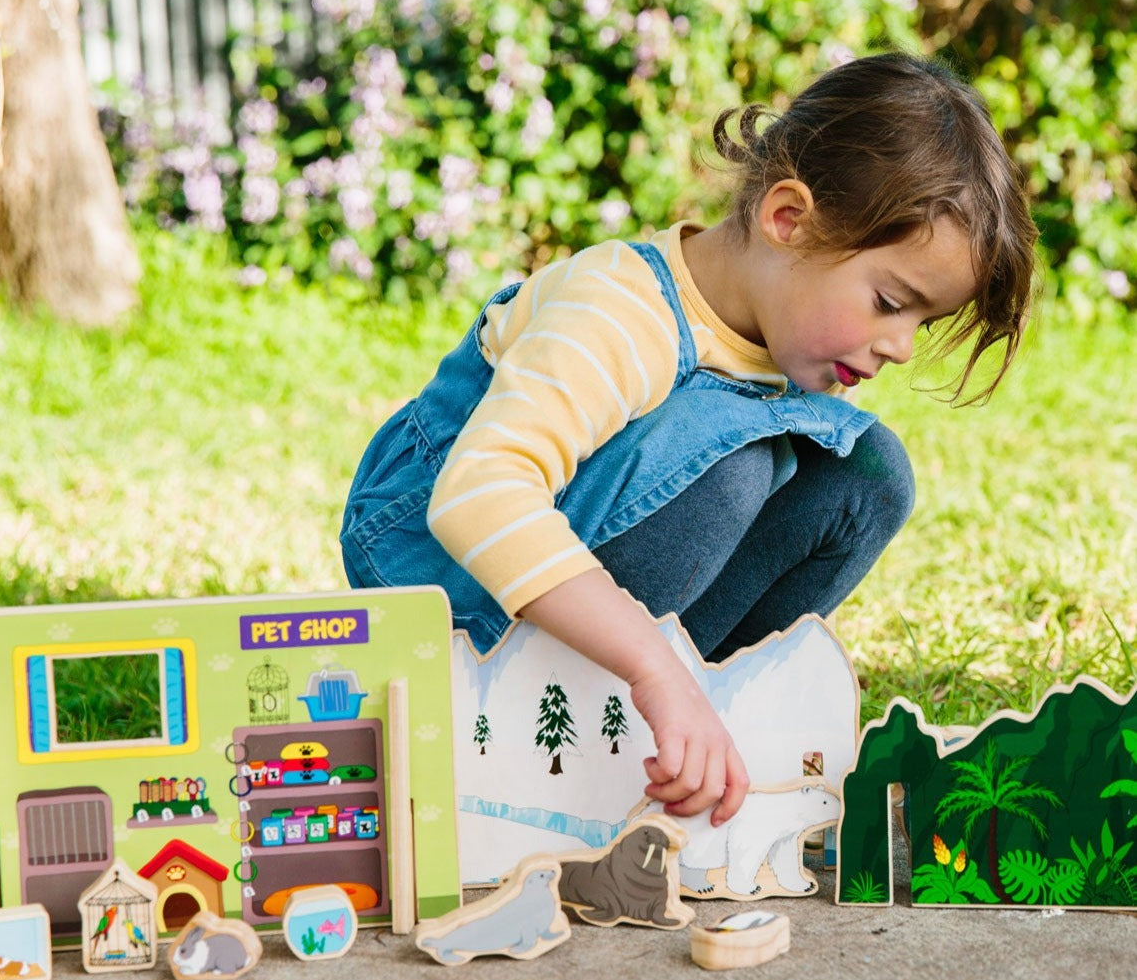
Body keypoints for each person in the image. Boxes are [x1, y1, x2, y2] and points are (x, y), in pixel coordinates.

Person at [340, 52, 1039, 829]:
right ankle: (644, 701)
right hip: (452, 594)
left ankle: (699, 731)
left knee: (868, 474)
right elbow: (477, 496)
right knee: (737, 466)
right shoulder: (619, 309)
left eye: (921, 322)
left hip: (593, 606)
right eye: (887, 302)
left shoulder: (774, 342)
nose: (900, 346)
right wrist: (653, 667)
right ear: (787, 220)